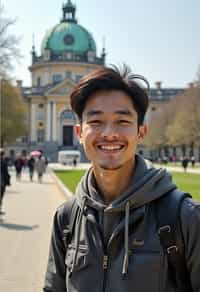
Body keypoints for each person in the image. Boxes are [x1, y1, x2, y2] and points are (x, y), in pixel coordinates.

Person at [43, 65, 200, 292]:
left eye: (122, 121)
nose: (108, 133)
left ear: (141, 132)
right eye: (96, 121)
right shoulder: (66, 219)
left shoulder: (186, 218)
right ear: (79, 133)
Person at [0, 149, 10, 213]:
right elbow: (5, 172)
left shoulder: (4, 161)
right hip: (1, 181)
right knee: (1, 194)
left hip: (2, 180)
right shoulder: (3, 162)